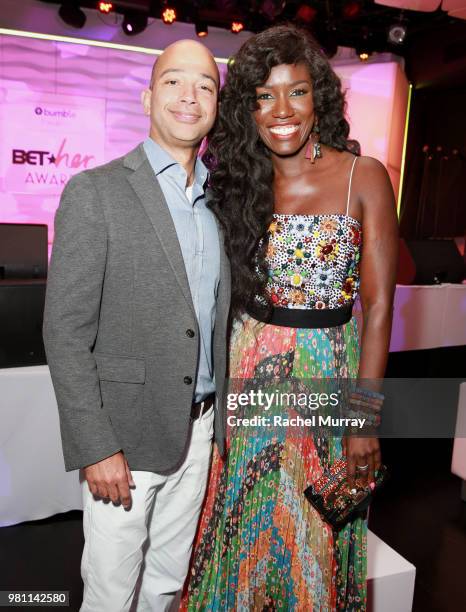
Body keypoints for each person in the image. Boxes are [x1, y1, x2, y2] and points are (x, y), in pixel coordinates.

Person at [182, 25, 398, 610]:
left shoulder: (363, 175)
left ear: (318, 99)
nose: (282, 111)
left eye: (296, 93)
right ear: (246, 108)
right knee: (246, 518)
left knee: (315, 526)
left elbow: (379, 307)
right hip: (251, 375)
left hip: (329, 373)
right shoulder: (236, 182)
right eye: (264, 96)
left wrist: (365, 419)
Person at [43, 39, 230, 612]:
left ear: (216, 105)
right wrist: (96, 445)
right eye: (174, 80)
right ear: (149, 96)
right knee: (109, 594)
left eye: (204, 84)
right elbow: (65, 331)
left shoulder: (220, 203)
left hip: (198, 433)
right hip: (122, 440)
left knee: (167, 585)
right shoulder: (96, 191)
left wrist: (220, 432)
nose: (189, 95)